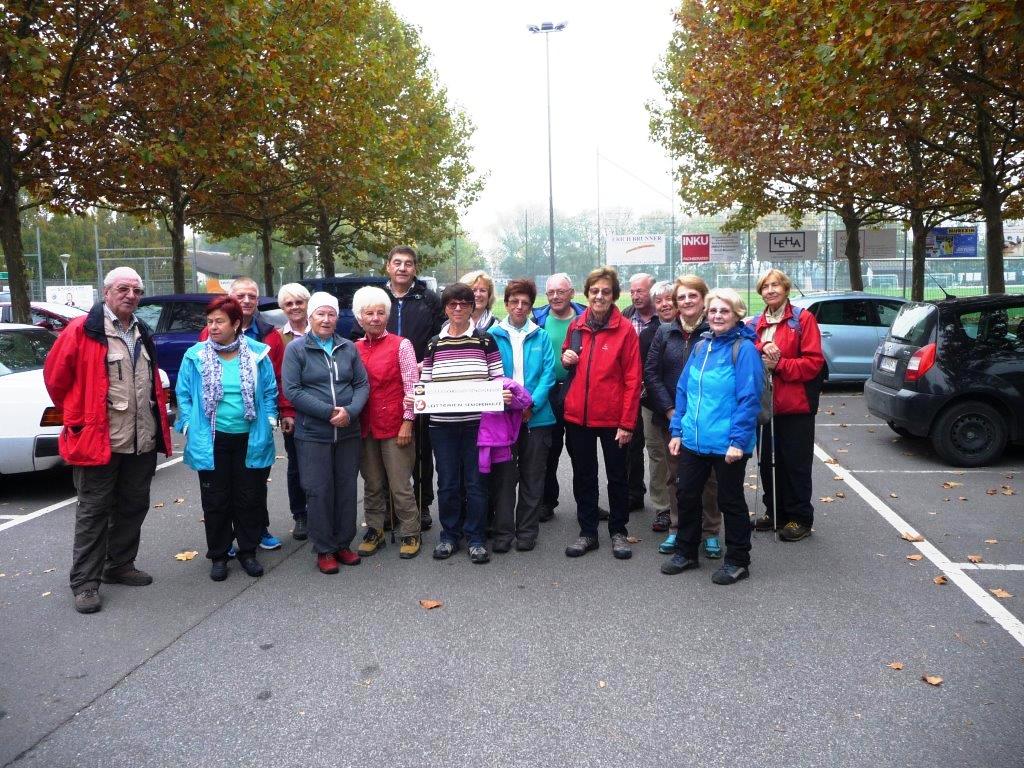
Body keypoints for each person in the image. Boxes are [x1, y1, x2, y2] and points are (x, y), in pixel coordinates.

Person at [43, 267, 172, 614]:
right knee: (93, 511)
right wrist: (79, 414)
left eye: (137, 291)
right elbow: (56, 379)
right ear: (107, 292)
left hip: (140, 440)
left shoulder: (142, 330)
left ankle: (119, 565)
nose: (131, 295)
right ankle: (85, 583)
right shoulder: (82, 330)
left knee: (133, 505)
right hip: (98, 439)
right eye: (123, 289)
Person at [662, 288, 763, 585]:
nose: (718, 316)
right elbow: (684, 391)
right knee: (686, 495)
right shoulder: (700, 347)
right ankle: (686, 552)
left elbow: (749, 399)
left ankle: (738, 560)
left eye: (725, 311)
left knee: (730, 501)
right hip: (694, 440)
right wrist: (677, 431)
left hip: (728, 444)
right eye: (714, 311)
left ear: (737, 315)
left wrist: (738, 442)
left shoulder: (744, 350)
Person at [175, 296, 279, 581]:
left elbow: (269, 390)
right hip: (212, 439)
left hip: (249, 437)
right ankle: (219, 555)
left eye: (219, 321)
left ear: (235, 324)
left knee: (249, 497)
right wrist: (187, 424)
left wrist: (270, 418)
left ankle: (248, 551)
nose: (213, 327)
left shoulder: (257, 353)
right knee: (216, 499)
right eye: (209, 322)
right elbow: (183, 393)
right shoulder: (195, 356)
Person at [418, 283, 506, 564]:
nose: (458, 309)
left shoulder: (485, 341)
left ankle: (476, 538)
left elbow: (497, 379)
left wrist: (502, 393)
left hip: (476, 426)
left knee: (476, 483)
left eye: (464, 304)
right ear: (445, 308)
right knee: (447, 483)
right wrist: (415, 398)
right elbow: (425, 383)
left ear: (472, 307)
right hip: (442, 427)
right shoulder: (433, 343)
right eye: (452, 304)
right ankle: (449, 536)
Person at [282, 292, 369, 574]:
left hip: (348, 432)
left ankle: (343, 543)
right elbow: (293, 390)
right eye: (320, 314)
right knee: (318, 490)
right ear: (310, 317)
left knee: (346, 489)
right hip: (313, 434)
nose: (326, 319)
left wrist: (350, 412)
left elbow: (361, 384)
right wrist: (329, 412)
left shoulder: (348, 348)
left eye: (331, 314)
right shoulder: (296, 349)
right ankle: (324, 548)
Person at [561, 266, 642, 560]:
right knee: (584, 476)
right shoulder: (576, 325)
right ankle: (588, 533)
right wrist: (566, 358)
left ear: (614, 296)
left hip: (613, 419)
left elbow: (633, 379)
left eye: (605, 292)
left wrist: (627, 423)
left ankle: (618, 531)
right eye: (594, 291)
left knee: (617, 476)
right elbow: (568, 358)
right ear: (587, 294)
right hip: (578, 417)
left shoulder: (626, 330)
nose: (599, 296)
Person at [199, 276, 285, 551]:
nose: (247, 300)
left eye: (252, 296)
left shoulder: (269, 335)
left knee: (253, 485)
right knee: (221, 490)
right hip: (218, 430)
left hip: (253, 427)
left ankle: (257, 531)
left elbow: (276, 380)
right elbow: (195, 383)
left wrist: (274, 416)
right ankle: (225, 542)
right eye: (241, 296)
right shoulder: (210, 333)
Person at [645, 276, 723, 557]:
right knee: (675, 477)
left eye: (693, 296)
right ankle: (677, 528)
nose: (687, 301)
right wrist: (669, 409)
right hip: (671, 420)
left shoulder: (715, 330)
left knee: (710, 479)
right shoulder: (664, 332)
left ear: (704, 299)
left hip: (707, 420)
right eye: (682, 297)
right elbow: (651, 374)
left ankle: (710, 531)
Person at [751, 269, 825, 542]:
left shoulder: (802, 320)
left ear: (785, 289)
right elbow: (748, 342)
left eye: (775, 285)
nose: (770, 290)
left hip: (795, 406)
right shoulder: (757, 322)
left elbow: (813, 363)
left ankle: (799, 517)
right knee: (768, 463)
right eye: (765, 286)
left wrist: (780, 365)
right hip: (766, 404)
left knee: (795, 463)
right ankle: (775, 511)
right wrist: (762, 346)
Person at [352, 286, 422, 559]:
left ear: (387, 316)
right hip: (365, 426)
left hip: (395, 424)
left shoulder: (401, 345)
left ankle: (410, 531)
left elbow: (412, 387)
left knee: (400, 484)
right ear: (360, 317)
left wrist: (408, 421)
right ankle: (375, 529)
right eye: (369, 313)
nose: (375, 318)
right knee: (372, 483)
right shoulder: (354, 348)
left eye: (381, 313)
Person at [488, 279, 557, 552]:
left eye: (525, 303)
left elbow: (548, 375)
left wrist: (531, 405)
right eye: (514, 301)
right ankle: (503, 533)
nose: (519, 306)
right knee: (504, 478)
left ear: (531, 307)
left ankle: (527, 532)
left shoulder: (541, 336)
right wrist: (507, 403)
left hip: (536, 418)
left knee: (532, 477)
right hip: (503, 418)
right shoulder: (492, 335)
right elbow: (490, 373)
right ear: (506, 304)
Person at [384, 246, 444, 531]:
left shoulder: (429, 299)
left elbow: (441, 336)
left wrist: (426, 363)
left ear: (415, 269)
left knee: (421, 447)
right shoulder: (377, 297)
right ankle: (391, 506)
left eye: (408, 264)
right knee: (387, 445)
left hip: (421, 380)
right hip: (385, 384)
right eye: (397, 263)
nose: (402, 268)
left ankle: (422, 504)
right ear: (388, 267)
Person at [533, 273, 585, 523]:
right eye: (551, 292)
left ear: (571, 293)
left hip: (577, 390)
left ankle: (587, 504)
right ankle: (546, 502)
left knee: (580, 451)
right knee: (549, 450)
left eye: (561, 292)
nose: (555, 296)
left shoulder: (585, 317)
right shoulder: (538, 319)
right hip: (548, 391)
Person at [622, 272, 659, 512]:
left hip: (655, 392)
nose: (635, 296)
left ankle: (664, 504)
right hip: (630, 391)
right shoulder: (625, 316)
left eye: (640, 291)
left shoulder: (664, 316)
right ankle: (633, 494)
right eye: (633, 291)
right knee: (630, 445)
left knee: (657, 448)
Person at [277, 282, 310, 540]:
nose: (295, 307)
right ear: (283, 308)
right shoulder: (277, 338)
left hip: (323, 411)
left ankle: (323, 512)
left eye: (299, 302)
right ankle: (300, 515)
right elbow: (277, 379)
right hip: (293, 414)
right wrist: (285, 411)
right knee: (297, 466)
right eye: (289, 303)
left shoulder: (323, 328)